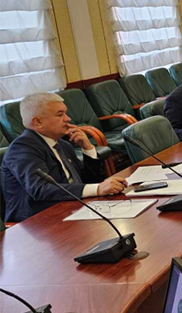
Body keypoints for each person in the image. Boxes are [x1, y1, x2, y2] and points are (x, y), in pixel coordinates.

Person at [1, 93, 127, 223]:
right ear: (38, 122)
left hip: (74, 209)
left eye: (66, 113)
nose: (68, 119)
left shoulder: (63, 145)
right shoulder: (22, 148)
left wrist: (88, 148)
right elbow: (40, 189)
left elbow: (87, 182)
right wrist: (98, 189)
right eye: (60, 115)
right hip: (37, 222)